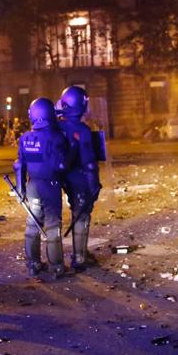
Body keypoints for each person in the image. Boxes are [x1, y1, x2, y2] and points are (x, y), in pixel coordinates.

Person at [15, 97, 70, 279]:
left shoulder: (25, 138)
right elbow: (61, 165)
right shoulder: (56, 137)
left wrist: (20, 189)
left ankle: (33, 264)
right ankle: (56, 266)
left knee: (33, 224)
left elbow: (19, 165)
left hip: (32, 186)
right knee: (53, 226)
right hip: (50, 185)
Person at [57, 85, 102, 272]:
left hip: (60, 177)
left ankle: (61, 258)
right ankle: (79, 257)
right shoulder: (82, 130)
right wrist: (94, 183)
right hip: (78, 177)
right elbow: (89, 161)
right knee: (82, 215)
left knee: (57, 219)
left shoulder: (56, 125)